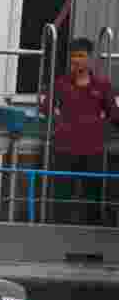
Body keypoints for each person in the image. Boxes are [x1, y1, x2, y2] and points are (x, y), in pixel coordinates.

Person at [41, 38, 119, 224]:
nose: (77, 60)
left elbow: (114, 114)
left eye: (81, 56)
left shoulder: (102, 85)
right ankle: (56, 232)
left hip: (93, 150)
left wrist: (100, 127)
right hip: (64, 149)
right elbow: (46, 109)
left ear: (90, 59)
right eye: (74, 56)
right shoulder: (60, 84)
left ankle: (92, 235)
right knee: (60, 197)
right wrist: (59, 123)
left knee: (93, 197)